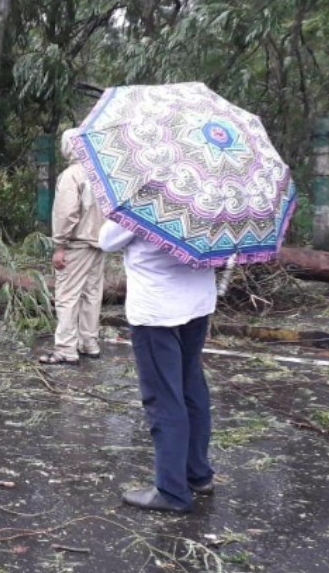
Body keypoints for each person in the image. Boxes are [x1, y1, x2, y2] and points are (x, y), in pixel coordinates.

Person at [99, 219, 217, 513]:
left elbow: (107, 240)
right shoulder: (208, 198)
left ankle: (171, 489)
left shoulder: (151, 197)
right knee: (191, 386)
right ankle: (197, 474)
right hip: (198, 302)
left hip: (158, 308)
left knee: (164, 398)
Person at [39, 128, 105, 365]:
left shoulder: (72, 175)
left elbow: (66, 213)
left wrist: (59, 245)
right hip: (99, 242)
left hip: (76, 243)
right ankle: (89, 342)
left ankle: (66, 348)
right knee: (92, 294)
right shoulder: (99, 173)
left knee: (67, 295)